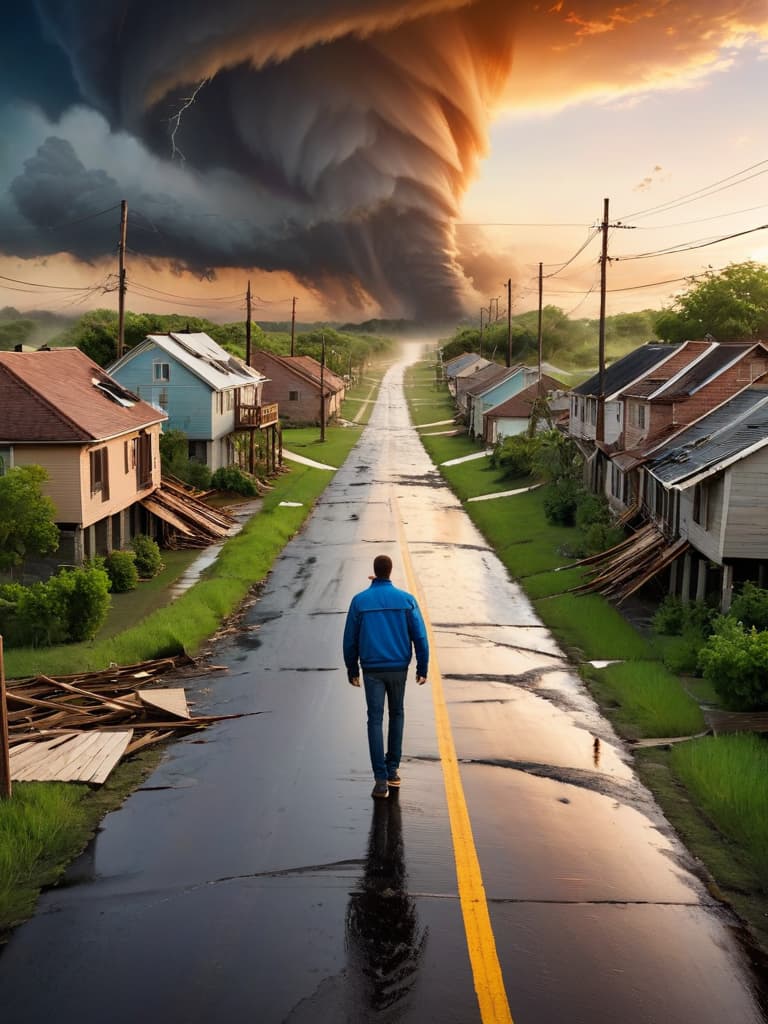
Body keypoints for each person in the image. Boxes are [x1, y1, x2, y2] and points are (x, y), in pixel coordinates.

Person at [343, 554, 429, 799]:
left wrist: (352, 669)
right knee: (397, 714)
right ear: (390, 572)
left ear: (374, 571)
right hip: (398, 668)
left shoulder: (359, 601)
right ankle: (393, 771)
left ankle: (380, 780)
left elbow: (350, 639)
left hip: (372, 669)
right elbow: (420, 636)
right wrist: (422, 666)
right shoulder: (406, 600)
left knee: (375, 720)